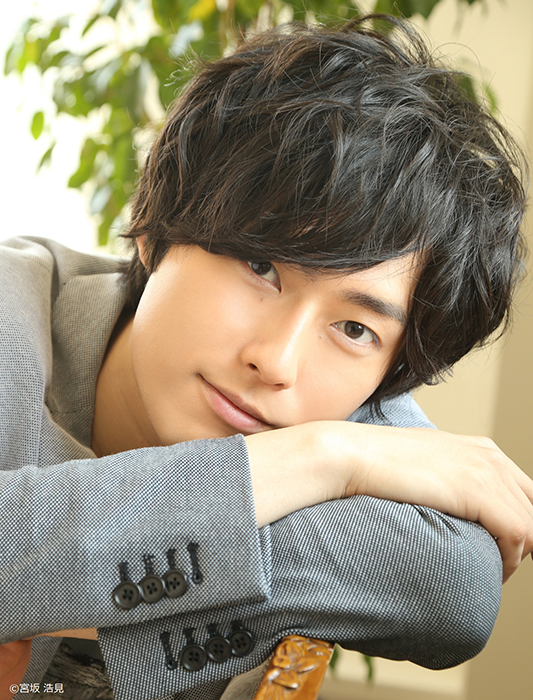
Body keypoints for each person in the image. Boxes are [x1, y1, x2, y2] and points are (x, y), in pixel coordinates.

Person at [1, 13, 532, 700]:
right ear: (155, 229)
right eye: (260, 266)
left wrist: (33, 579)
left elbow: (454, 583)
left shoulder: (357, 410)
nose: (277, 362)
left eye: (354, 328)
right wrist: (320, 458)